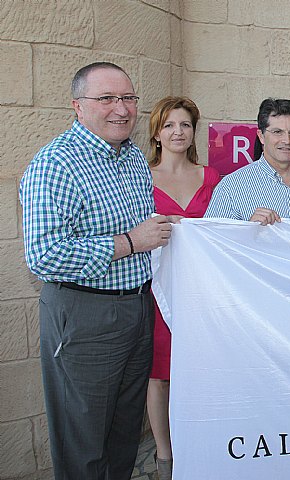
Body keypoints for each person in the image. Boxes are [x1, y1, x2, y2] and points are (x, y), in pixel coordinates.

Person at [20, 62, 174, 480]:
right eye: (106, 99)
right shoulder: (56, 165)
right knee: (83, 440)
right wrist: (128, 243)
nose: (121, 109)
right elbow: (44, 255)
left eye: (128, 98)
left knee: (124, 433)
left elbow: (149, 229)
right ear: (78, 106)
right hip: (84, 315)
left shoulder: (134, 161)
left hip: (135, 310)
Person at [146, 96, 220, 480]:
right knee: (160, 373)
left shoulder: (211, 177)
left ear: (194, 132)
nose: (178, 132)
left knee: (203, 368)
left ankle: (202, 443)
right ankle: (164, 455)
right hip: (158, 290)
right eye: (170, 125)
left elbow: (225, 228)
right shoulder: (139, 176)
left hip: (202, 292)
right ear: (157, 132)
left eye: (185, 125)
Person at [204, 98, 290, 227]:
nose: (286, 140)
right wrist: (248, 230)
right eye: (277, 132)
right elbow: (212, 242)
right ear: (261, 136)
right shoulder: (231, 187)